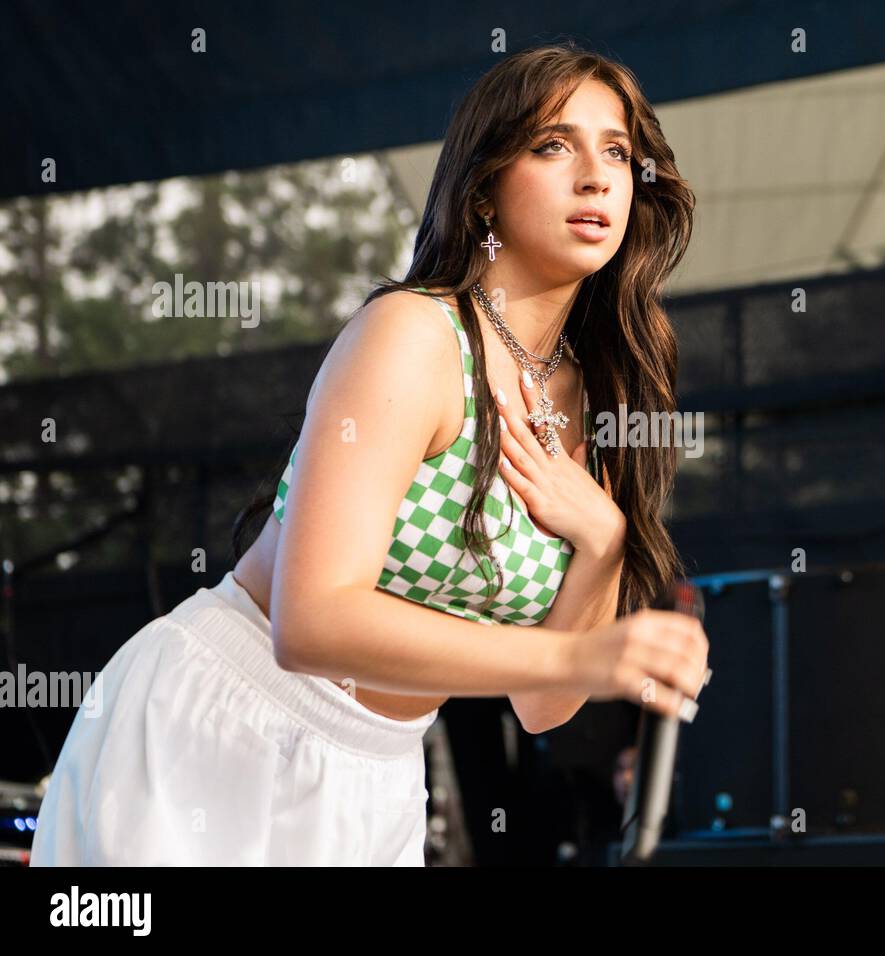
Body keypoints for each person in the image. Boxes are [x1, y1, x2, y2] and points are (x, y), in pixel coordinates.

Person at [31, 41, 709, 866]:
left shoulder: (593, 399)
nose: (597, 177)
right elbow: (310, 622)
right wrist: (577, 650)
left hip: (380, 777)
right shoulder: (414, 336)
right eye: (553, 145)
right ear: (486, 187)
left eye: (617, 152)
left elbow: (542, 706)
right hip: (223, 724)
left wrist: (602, 541)